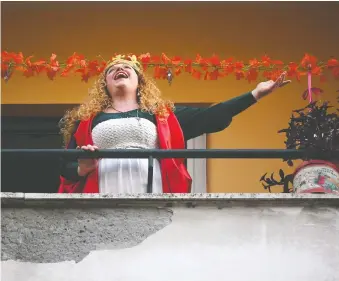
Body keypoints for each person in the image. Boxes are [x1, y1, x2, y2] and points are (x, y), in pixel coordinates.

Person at [58, 55, 290, 194]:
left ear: (140, 81)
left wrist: (254, 95)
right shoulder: (87, 120)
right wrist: (83, 167)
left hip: (150, 183)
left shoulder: (162, 116)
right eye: (112, 69)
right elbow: (63, 167)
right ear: (104, 83)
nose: (120, 69)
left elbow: (212, 116)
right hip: (102, 185)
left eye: (127, 67)